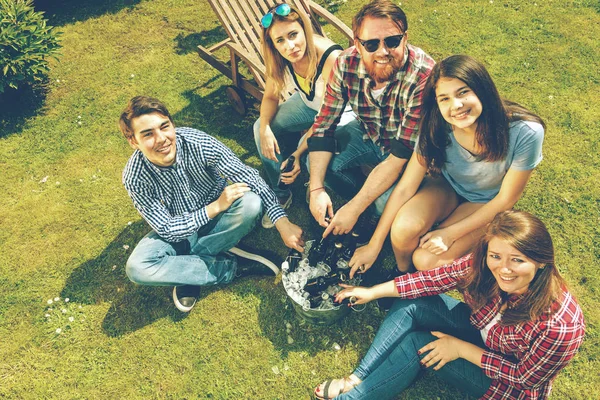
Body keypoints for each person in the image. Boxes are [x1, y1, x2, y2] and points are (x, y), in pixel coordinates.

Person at [315, 210, 585, 399]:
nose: (503, 269)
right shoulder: (482, 263)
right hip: (483, 332)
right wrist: (373, 292)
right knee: (413, 302)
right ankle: (356, 378)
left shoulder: (561, 326)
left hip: (506, 383)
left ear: (540, 261)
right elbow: (432, 280)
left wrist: (460, 349)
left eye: (517, 260)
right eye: (496, 256)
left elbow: (524, 379)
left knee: (418, 343)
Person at [349, 55, 545, 278]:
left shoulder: (526, 132)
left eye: (463, 92)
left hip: (486, 201)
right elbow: (405, 187)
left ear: (482, 89)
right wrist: (374, 244)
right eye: (444, 98)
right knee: (403, 229)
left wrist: (450, 233)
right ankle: (402, 274)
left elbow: (506, 199)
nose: (456, 106)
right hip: (446, 187)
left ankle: (424, 271)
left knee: (425, 260)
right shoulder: (435, 126)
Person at [120, 96, 304, 312]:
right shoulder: (134, 176)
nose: (162, 139)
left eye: (164, 127)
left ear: (172, 123)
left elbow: (248, 176)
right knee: (137, 267)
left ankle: (186, 271)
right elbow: (168, 230)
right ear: (133, 141)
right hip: (182, 229)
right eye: (148, 134)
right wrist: (214, 207)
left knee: (252, 203)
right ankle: (230, 268)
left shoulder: (198, 143)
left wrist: (281, 221)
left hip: (221, 218)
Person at [307, 0, 435, 238]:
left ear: (405, 38)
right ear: (357, 44)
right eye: (371, 44)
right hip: (371, 136)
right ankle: (363, 200)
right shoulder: (345, 63)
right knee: (316, 167)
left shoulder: (424, 76)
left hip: (410, 158)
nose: (382, 52)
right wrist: (315, 189)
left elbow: (400, 155)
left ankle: (371, 211)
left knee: (383, 203)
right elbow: (323, 127)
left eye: (392, 41)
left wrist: (355, 208)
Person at [254, 2, 355, 229]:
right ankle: (280, 192)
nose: (290, 46)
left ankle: (316, 184)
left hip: (341, 115)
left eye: (293, 35)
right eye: (280, 40)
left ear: (305, 30)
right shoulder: (281, 58)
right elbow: (270, 96)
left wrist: (299, 152)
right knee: (261, 125)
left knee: (307, 151)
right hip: (310, 103)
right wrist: (265, 130)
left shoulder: (330, 59)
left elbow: (328, 117)